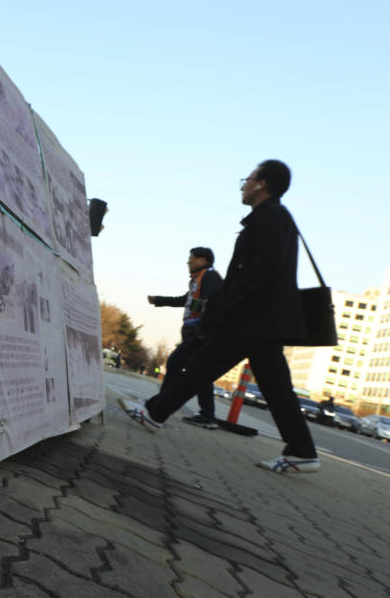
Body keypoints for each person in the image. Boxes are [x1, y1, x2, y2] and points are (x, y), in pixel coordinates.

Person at [118, 160, 319, 474]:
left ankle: (154, 413)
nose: (243, 185)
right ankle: (303, 451)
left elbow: (260, 267)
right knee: (276, 388)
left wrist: (228, 305)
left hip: (251, 319)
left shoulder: (269, 217)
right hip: (264, 322)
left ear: (261, 184)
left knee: (200, 366)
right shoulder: (275, 218)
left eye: (247, 179)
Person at [147, 247, 224, 429]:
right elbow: (186, 300)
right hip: (193, 329)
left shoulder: (210, 277)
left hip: (200, 331)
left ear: (202, 260)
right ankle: (207, 415)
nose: (188, 262)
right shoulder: (197, 279)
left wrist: (203, 325)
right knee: (199, 371)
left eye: (191, 258)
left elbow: (211, 304)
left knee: (175, 364)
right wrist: (159, 300)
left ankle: (159, 406)